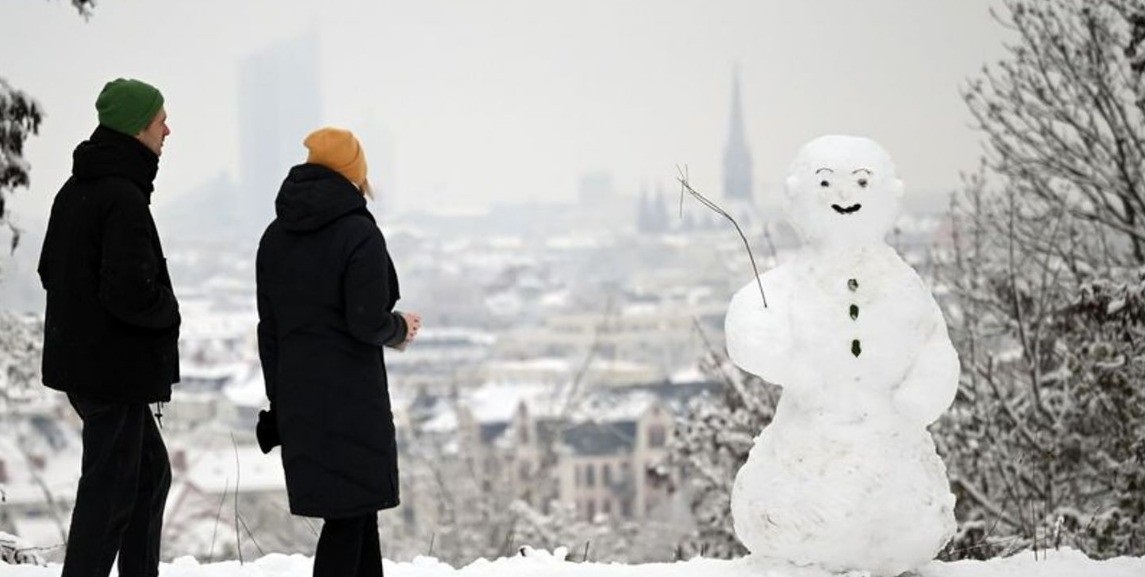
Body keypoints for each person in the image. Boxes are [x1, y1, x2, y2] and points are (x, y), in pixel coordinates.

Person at [255, 127, 420, 577]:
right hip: (350, 398)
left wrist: (279, 400)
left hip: (298, 396)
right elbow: (366, 319)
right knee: (349, 519)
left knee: (356, 513)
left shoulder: (275, 236)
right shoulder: (357, 234)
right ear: (354, 171)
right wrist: (400, 327)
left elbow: (269, 330)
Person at [38, 78, 178, 577]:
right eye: (161, 119)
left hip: (92, 367)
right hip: (112, 371)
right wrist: (168, 310)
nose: (168, 129)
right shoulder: (121, 197)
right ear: (138, 126)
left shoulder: (77, 189)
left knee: (147, 476)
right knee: (111, 490)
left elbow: (49, 269)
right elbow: (131, 291)